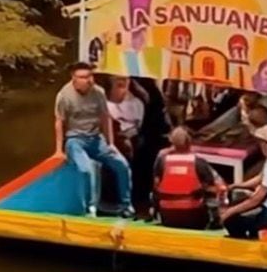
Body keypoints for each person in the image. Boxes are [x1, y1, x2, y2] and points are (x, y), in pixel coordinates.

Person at [54, 62, 134, 218]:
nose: (88, 80)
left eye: (90, 76)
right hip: (75, 139)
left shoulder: (98, 92)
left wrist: (111, 143)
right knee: (86, 169)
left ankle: (126, 204)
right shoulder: (64, 95)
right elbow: (59, 121)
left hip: (96, 138)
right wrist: (58, 150)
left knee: (121, 164)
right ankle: (90, 207)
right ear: (74, 79)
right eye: (83, 77)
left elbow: (105, 117)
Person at [152, 127, 227, 228]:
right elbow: (214, 190)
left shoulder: (161, 161)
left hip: (167, 218)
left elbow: (156, 188)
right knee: (218, 188)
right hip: (194, 218)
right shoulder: (199, 162)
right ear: (190, 142)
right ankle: (216, 221)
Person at [106, 75, 145, 161]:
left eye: (124, 85)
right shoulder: (106, 105)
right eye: (119, 85)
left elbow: (138, 126)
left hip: (132, 143)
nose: (122, 90)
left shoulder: (137, 104)